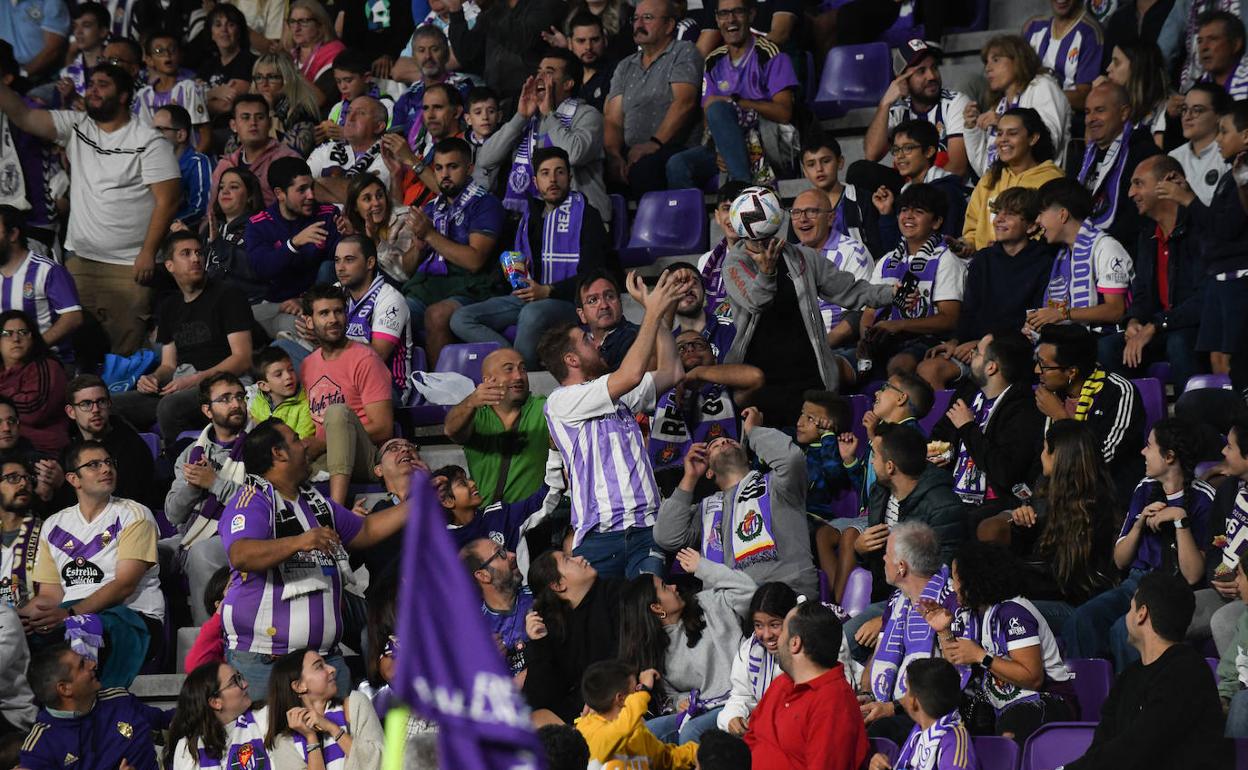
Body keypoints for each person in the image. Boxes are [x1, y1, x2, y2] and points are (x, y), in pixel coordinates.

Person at [217, 418, 414, 696]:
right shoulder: (252, 500)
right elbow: (241, 554)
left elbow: (367, 530)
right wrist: (299, 542)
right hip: (265, 660)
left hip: (325, 661)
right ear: (279, 453)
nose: (306, 445)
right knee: (269, 739)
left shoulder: (316, 502)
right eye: (297, 440)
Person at [0, 63, 180, 356]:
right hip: (80, 260)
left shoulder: (148, 141)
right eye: (91, 84)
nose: (93, 90)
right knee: (80, 348)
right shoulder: (77, 126)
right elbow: (23, 115)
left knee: (123, 351)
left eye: (103, 85)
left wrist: (148, 252)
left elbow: (168, 200)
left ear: (123, 96)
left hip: (128, 266)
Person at [538, 270, 684, 578]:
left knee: (649, 616)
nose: (596, 343)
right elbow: (630, 375)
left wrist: (652, 315)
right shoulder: (560, 402)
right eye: (586, 342)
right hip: (599, 537)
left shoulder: (618, 395)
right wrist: (654, 310)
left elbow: (672, 372)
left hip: (647, 529)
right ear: (571, 360)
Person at [722, 201, 894, 425]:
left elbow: (849, 290)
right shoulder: (734, 264)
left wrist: (890, 293)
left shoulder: (802, 257)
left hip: (807, 371)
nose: (760, 243)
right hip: (763, 377)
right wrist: (767, 273)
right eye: (754, 239)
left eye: (765, 236)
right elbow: (757, 302)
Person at [1064, 419, 1215, 670]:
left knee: (1122, 632)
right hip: (1135, 582)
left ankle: (1134, 702)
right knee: (1081, 621)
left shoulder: (1203, 498)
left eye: (1149, 446)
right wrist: (1139, 523)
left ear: (1169, 457)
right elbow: (1120, 560)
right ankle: (1095, 698)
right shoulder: (1144, 489)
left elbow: (1192, 575)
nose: (1143, 452)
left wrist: (1180, 520)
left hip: (1172, 591)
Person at [451, 146, 609, 369]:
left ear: (570, 178)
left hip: (570, 301)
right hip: (529, 296)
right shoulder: (528, 217)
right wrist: (512, 272)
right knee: (461, 318)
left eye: (559, 172)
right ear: (535, 181)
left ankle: (522, 375)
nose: (552, 179)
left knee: (532, 313)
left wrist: (549, 290)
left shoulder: (588, 216)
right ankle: (515, 363)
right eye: (545, 173)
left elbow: (593, 275)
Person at [22, 441, 164, 687]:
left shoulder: (134, 514)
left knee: (82, 629)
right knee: (18, 636)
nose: (106, 469)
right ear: (73, 479)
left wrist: (71, 614)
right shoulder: (53, 525)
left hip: (132, 617)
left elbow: (124, 585)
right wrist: (22, 619)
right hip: (70, 614)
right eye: (94, 465)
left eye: (109, 463)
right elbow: (49, 596)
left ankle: (90, 706)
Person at [1063, 572, 1232, 769]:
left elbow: (1142, 744)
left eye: (1130, 608)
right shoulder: (1128, 677)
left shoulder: (1186, 672)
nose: (1127, 615)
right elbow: (1102, 744)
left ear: (1142, 613)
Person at [655, 406, 818, 597]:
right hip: (728, 604)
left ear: (748, 458)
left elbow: (791, 459)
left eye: (731, 440)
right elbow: (667, 536)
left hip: (788, 593)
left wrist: (753, 430)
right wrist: (690, 477)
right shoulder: (706, 509)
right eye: (714, 445)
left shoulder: (779, 484)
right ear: (709, 472)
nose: (723, 440)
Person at [923, 541, 1076, 743]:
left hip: (1047, 700)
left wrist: (980, 656)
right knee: (954, 719)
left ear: (973, 579)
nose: (952, 585)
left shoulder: (1014, 612)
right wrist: (944, 631)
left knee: (1012, 725)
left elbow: (1033, 678)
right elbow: (957, 661)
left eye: (956, 578)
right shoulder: (977, 612)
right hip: (1002, 704)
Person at [111, 231, 254, 446]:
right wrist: (153, 379)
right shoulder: (170, 307)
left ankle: (181, 466)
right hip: (182, 385)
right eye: (186, 254)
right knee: (111, 405)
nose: (195, 258)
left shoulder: (228, 295)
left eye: (198, 252)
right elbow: (168, 365)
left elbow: (243, 359)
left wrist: (197, 380)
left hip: (222, 387)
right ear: (170, 266)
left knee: (170, 407)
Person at [920, 188, 1057, 390]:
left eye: (1009, 214)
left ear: (1030, 226)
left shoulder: (1045, 262)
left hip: (1014, 351)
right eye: (998, 212)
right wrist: (956, 341)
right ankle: (947, 421)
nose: (998, 219)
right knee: (929, 368)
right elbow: (969, 310)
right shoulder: (983, 259)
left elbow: (1033, 322)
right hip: (975, 346)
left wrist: (984, 343)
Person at [619, 548, 757, 744]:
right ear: (657, 609)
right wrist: (680, 701)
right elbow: (670, 696)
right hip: (703, 709)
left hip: (739, 699)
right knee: (647, 732)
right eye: (666, 587)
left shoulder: (708, 603)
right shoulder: (655, 648)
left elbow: (751, 591)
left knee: (692, 732)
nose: (675, 586)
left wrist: (703, 567)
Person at [1098, 155, 1208, 387]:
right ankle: (1133, 417)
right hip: (1160, 328)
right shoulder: (1147, 235)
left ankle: (1187, 421)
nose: (1130, 193)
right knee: (1108, 347)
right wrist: (1134, 321)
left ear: (1169, 182)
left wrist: (1157, 325)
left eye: (1139, 183)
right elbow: (1142, 294)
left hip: (1197, 328)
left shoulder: (1200, 228)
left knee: (1179, 342)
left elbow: (1204, 299)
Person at [665, 0, 797, 190]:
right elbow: (708, 120)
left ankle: (740, 188)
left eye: (737, 12)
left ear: (751, 15)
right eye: (724, 14)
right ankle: (693, 216)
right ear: (717, 20)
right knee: (677, 164)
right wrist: (722, 149)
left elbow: (784, 113)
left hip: (766, 142)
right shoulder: (712, 61)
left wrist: (737, 102)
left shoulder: (770, 53)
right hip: (725, 145)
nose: (731, 20)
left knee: (718, 107)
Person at [400, 137, 506, 367]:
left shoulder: (485, 204)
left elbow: (475, 261)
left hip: (475, 286)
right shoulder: (431, 208)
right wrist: (418, 248)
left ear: (469, 168)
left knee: (436, 315)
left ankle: (440, 391)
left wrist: (430, 235)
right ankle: (401, 384)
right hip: (432, 284)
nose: (444, 174)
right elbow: (407, 269)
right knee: (395, 309)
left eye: (452, 167)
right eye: (438, 168)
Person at [474, 49, 607, 220]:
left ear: (568, 84)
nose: (540, 78)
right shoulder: (528, 119)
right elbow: (485, 159)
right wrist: (520, 117)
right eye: (539, 72)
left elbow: (573, 155)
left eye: (549, 72)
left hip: (581, 218)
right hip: (532, 218)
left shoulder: (588, 115)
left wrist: (550, 114)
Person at [163, 374, 251, 627]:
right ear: (207, 410)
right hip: (191, 533)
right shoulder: (192, 453)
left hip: (242, 534)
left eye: (239, 397)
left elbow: (264, 502)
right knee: (147, 555)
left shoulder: (260, 444)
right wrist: (193, 486)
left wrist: (214, 483)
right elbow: (173, 515)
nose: (235, 404)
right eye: (224, 399)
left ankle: (207, 639)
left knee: (201, 552)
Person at [859, 522, 956, 745]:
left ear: (901, 567)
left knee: (879, 731)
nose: (883, 559)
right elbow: (879, 650)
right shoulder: (896, 599)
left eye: (886, 554)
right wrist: (867, 694)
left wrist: (893, 707)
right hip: (891, 704)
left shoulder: (951, 601)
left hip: (931, 710)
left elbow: (956, 673)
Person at [927, 331, 1047, 513]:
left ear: (991, 367)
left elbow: (1006, 472)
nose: (971, 355)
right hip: (949, 497)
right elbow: (940, 435)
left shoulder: (1024, 411)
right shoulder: (967, 392)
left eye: (977, 352)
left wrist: (968, 428)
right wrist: (942, 453)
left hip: (994, 507)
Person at [299, 284, 395, 506]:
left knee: (337, 413)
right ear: (309, 321)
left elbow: (383, 427)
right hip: (324, 455)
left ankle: (337, 509)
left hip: (364, 455)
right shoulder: (307, 365)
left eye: (338, 311)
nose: (333, 319)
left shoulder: (365, 360)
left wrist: (322, 443)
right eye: (324, 313)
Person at [743, 600, 868, 770]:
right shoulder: (781, 683)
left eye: (783, 632)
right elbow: (751, 739)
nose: (778, 641)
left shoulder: (834, 704)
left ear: (795, 643)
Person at [858, 184, 966, 376]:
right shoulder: (886, 261)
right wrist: (867, 338)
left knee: (900, 365)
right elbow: (869, 312)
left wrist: (897, 326)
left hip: (929, 340)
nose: (908, 216)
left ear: (936, 221)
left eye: (918, 211)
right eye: (904, 210)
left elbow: (949, 319)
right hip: (887, 339)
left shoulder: (946, 259)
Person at [1032, 323, 1146, 501]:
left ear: (1071, 372)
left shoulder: (1119, 392)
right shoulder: (1049, 394)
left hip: (1106, 495)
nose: (1037, 370)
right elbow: (1040, 458)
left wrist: (1061, 417)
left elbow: (1104, 458)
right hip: (1059, 493)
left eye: (1044, 365)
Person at [602, 0, 703, 199]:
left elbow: (685, 103)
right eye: (636, 18)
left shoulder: (683, 52)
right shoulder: (625, 66)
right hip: (631, 152)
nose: (639, 24)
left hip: (672, 148)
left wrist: (654, 144)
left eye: (647, 18)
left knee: (643, 170)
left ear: (669, 26)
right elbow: (613, 119)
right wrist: (614, 156)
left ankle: (654, 228)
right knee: (596, 172)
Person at [18, 643, 171, 770]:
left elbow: (166, 720)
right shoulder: (40, 748)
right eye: (82, 665)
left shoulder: (119, 699)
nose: (93, 664)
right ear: (65, 689)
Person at [859, 424, 966, 601]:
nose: (871, 461)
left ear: (890, 466)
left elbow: (945, 575)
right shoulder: (879, 492)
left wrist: (887, 616)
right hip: (886, 600)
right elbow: (882, 561)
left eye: (875, 456)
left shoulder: (944, 507)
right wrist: (860, 549)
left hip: (925, 605)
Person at [647, 329, 760, 494]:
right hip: (674, 490)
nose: (690, 349)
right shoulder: (660, 389)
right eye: (681, 348)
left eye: (699, 344)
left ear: (714, 356)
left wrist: (697, 374)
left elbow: (755, 377)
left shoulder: (728, 389)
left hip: (729, 484)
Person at [1188, 99, 1248, 393]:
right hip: (1219, 275)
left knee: (1235, 362)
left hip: (1238, 278)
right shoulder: (1231, 174)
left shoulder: (1242, 177)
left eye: (1224, 132)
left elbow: (1226, 229)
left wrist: (1187, 199)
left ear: (1246, 135)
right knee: (1217, 357)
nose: (1218, 139)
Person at [244, 157, 341, 339]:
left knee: (327, 267)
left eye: (311, 187)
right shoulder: (259, 224)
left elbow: (339, 270)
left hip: (319, 305)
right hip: (277, 304)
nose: (311, 195)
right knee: (239, 320)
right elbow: (262, 269)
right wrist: (293, 244)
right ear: (280, 194)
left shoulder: (327, 214)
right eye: (301, 190)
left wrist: (306, 302)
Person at [524, 549, 624, 723]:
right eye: (568, 560)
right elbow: (539, 699)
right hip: (583, 710)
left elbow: (625, 653)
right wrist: (539, 645)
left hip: (617, 693)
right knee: (536, 721)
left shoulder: (614, 592)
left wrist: (599, 697)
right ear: (558, 585)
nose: (580, 558)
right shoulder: (554, 627)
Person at [444, 348, 550, 505]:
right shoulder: (476, 415)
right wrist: (470, 402)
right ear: (488, 380)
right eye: (509, 369)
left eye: (523, 369)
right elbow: (450, 430)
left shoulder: (543, 408)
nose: (519, 376)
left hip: (530, 518)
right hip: (485, 519)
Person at [1029, 178, 1132, 335]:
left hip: (1106, 338)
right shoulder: (1062, 254)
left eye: (1041, 213)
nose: (1037, 221)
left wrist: (1062, 314)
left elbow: (1116, 311)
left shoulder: (1106, 247)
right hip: (1075, 342)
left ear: (1062, 215)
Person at [963, 35, 1071, 179]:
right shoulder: (999, 105)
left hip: (1039, 186)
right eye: (986, 62)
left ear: (1018, 59)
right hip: (1002, 190)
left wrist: (1005, 123)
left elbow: (1049, 145)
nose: (988, 68)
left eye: (996, 60)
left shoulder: (1042, 86)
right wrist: (972, 130)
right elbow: (986, 171)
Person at [862, 39, 971, 179]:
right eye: (921, 71)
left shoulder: (955, 102)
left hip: (945, 191)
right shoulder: (898, 110)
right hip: (907, 190)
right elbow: (871, 155)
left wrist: (916, 193)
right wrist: (885, 103)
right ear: (902, 79)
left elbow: (957, 167)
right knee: (861, 171)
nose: (931, 76)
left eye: (934, 67)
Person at [961, 107, 1065, 252]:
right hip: (983, 263)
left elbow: (1053, 233)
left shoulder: (1053, 180)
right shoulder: (990, 178)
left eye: (1012, 133)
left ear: (1033, 138)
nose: (1002, 140)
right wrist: (967, 245)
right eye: (999, 133)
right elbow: (972, 231)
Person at [264, 648, 385, 769]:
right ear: (299, 686)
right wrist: (311, 738)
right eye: (319, 667)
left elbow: (381, 763)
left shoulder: (355, 704)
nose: (332, 669)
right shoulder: (284, 742)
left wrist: (332, 728)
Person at [1076, 81, 1162, 247]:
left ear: (1124, 113)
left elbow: (1144, 214)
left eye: (1100, 111)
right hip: (1086, 249)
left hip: (1127, 249)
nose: (1091, 119)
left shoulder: (1144, 154)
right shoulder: (1081, 157)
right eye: (1087, 112)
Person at [787, 189, 872, 349]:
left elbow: (860, 313)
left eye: (811, 212)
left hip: (838, 348)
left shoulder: (852, 251)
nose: (803, 219)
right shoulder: (788, 256)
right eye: (796, 213)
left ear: (831, 218)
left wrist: (820, 348)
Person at [334, 235, 415, 403]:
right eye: (337, 260)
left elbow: (377, 355)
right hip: (340, 377)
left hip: (386, 385)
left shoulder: (390, 299)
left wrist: (329, 341)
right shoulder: (335, 292)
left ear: (370, 263)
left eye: (349, 260)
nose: (340, 268)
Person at [573, 661, 698, 769]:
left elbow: (666, 759)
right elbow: (619, 732)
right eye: (634, 690)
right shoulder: (586, 734)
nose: (637, 694)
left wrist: (697, 751)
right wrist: (644, 690)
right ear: (620, 698)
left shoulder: (636, 731)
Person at [0, 206, 81, 366]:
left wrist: (35, 348)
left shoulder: (48, 271)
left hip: (47, 363)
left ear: (13, 234)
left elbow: (73, 318)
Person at [717, 582, 798, 736]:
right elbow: (741, 696)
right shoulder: (749, 651)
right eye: (759, 625)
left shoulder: (813, 644)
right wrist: (733, 717)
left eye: (774, 625)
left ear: (792, 619)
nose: (766, 635)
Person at [867, 657, 976, 770]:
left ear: (913, 701)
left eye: (907, 691)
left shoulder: (954, 740)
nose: (903, 697)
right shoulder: (919, 732)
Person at [446, 0, 564, 103]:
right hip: (499, 102)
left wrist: (490, 7)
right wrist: (455, 11)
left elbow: (523, 40)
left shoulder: (547, 4)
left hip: (535, 97)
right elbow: (467, 54)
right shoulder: (494, 10)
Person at [870, 120, 967, 243]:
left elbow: (946, 243)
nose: (899, 156)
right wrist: (886, 213)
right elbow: (896, 249)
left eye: (908, 148)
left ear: (929, 151)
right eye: (896, 150)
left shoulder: (947, 191)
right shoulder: (904, 192)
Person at [165, 662, 271, 770]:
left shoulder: (266, 718)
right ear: (215, 702)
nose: (245, 684)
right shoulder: (187, 749)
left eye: (240, 677)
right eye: (235, 682)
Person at [389, 26, 475, 154]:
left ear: (446, 54)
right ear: (413, 56)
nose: (428, 56)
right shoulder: (408, 95)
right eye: (421, 50)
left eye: (434, 49)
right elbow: (394, 140)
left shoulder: (463, 88)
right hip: (408, 165)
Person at [383, 82, 468, 210]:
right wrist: (396, 174)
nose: (430, 115)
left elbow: (451, 194)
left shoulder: (466, 147)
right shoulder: (425, 153)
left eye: (438, 107)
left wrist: (411, 159)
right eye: (426, 108)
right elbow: (397, 207)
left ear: (456, 112)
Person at [460, 537, 534, 680]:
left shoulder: (540, 595)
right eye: (500, 554)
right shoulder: (474, 633)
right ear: (483, 575)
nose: (512, 555)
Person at [210, 95, 301, 208]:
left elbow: (297, 207)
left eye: (260, 117)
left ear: (270, 123)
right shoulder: (225, 165)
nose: (253, 123)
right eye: (245, 117)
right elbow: (211, 212)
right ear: (233, 125)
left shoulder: (288, 159)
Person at [799, 135, 881, 258]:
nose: (819, 169)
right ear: (804, 171)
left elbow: (877, 248)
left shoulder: (861, 199)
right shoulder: (800, 207)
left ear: (840, 162)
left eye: (826, 161)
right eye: (811, 164)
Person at [433, 464, 544, 552]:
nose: (472, 483)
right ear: (447, 501)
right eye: (462, 483)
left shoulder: (498, 515)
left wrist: (555, 455)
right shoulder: (443, 542)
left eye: (468, 479)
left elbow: (541, 500)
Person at [0, 310, 66, 456]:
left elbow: (33, 410)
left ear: (33, 337)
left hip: (41, 452)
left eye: (23, 332)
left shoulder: (47, 366)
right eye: (7, 333)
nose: (16, 339)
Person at [307, 96, 391, 205]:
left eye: (361, 113)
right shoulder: (327, 149)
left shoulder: (387, 155)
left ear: (379, 126)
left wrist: (317, 183)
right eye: (348, 112)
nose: (350, 118)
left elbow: (366, 195)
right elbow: (298, 184)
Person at [1024, 0, 1104, 112]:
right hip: (1025, 113)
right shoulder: (1034, 27)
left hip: (1067, 118)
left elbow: (1085, 96)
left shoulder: (1090, 33)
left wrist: (1043, 97)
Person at [134, 32, 209, 150]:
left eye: (172, 49)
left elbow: (205, 135)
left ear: (180, 55)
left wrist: (191, 163)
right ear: (149, 60)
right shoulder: (143, 96)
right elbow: (142, 136)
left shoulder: (189, 89)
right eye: (159, 51)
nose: (167, 55)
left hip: (189, 161)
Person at [343, 173, 418, 283]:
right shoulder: (357, 225)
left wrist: (376, 241)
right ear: (355, 207)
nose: (376, 203)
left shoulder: (404, 218)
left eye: (379, 196)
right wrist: (353, 237)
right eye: (367, 199)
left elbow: (403, 274)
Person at [247, 53, 321, 158]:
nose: (264, 83)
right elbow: (232, 148)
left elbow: (291, 154)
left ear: (286, 79)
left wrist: (271, 111)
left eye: (272, 77)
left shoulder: (302, 111)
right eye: (259, 77)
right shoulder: (248, 109)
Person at [658, 262, 736, 360]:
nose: (686, 289)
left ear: (703, 290)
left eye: (693, 282)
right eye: (676, 285)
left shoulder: (731, 329)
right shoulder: (670, 342)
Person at [1169, 82, 1231, 205]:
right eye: (1184, 109)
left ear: (1219, 115)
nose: (1187, 117)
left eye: (1197, 110)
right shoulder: (1174, 157)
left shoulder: (1228, 155)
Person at [152, 105, 211, 229]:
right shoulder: (152, 163)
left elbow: (200, 209)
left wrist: (163, 224)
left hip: (181, 233)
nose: (152, 135)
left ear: (181, 135)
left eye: (159, 130)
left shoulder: (197, 162)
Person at [697, 180, 750, 315]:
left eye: (739, 209)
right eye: (727, 209)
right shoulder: (706, 260)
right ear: (717, 216)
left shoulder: (764, 257)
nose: (733, 217)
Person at [198, 4, 256, 123]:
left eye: (230, 25)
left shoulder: (247, 60)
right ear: (211, 34)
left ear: (239, 31)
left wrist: (200, 99)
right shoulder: (208, 65)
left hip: (232, 128)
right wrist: (213, 93)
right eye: (218, 25)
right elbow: (190, 97)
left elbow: (226, 105)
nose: (224, 30)